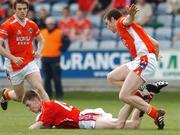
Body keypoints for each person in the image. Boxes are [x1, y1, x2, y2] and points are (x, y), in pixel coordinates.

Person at [103, 4, 165, 129]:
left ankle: (155, 113)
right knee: (111, 77)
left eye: (107, 23)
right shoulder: (135, 29)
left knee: (124, 95)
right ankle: (141, 92)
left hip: (144, 60)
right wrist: (155, 57)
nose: (107, 27)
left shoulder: (121, 23)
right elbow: (156, 44)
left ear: (112, 20)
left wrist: (131, 14)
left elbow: (127, 20)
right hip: (141, 60)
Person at [22, 81, 168, 129]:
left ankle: (138, 95)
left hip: (85, 120)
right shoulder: (48, 106)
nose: (29, 109)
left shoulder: (47, 107)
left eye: (29, 105)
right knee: (134, 124)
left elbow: (38, 126)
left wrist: (29, 128)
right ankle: (147, 96)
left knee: (118, 123)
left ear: (36, 100)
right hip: (86, 116)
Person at [0, 0, 49, 110]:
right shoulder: (7, 25)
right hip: (14, 67)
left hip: (29, 63)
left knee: (39, 88)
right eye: (19, 9)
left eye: (24, 9)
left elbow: (42, 40)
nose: (22, 11)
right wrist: (13, 58)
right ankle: (6, 94)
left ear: (27, 9)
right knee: (20, 97)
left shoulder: (31, 24)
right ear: (14, 10)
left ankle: (51, 115)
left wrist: (39, 51)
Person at [41, 17, 69, 99]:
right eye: (49, 24)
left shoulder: (59, 32)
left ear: (54, 24)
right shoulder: (42, 32)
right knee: (46, 79)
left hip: (55, 58)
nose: (50, 25)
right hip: (45, 58)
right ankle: (48, 96)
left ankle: (59, 95)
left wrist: (61, 49)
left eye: (52, 24)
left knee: (56, 78)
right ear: (46, 24)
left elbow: (67, 42)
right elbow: (37, 42)